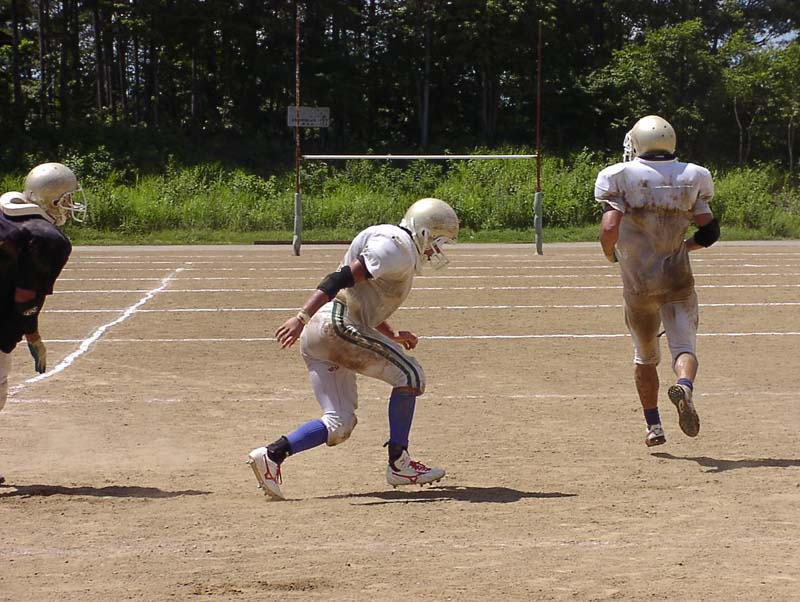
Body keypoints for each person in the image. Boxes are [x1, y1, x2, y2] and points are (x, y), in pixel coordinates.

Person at [248, 197, 459, 500]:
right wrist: (300, 317)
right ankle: (400, 463)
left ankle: (272, 455)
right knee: (410, 375)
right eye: (438, 242)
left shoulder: (394, 243)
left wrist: (392, 333)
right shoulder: (397, 247)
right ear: (424, 232)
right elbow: (340, 280)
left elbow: (360, 299)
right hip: (333, 324)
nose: (436, 250)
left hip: (323, 332)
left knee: (340, 423)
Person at [595, 115, 719, 448]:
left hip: (639, 284)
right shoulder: (694, 175)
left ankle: (654, 426)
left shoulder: (617, 176)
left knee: (645, 356)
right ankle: (685, 386)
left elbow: (609, 228)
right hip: (678, 278)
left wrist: (610, 255)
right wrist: (682, 247)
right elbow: (709, 231)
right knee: (684, 349)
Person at [1, 162, 86, 484]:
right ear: (53, 200)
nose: (71, 205)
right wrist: (33, 336)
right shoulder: (48, 238)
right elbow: (25, 298)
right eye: (67, 198)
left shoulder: (6, 212)